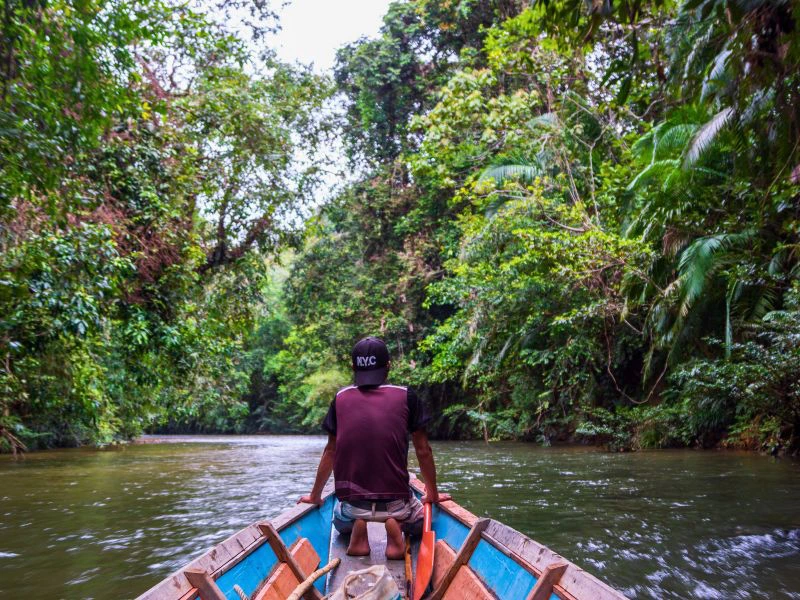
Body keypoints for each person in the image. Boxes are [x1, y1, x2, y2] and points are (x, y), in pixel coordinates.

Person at [299, 336, 450, 559]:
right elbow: (423, 450)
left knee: (340, 521)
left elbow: (330, 452)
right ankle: (396, 527)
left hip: (353, 506)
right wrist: (433, 495)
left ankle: (358, 530)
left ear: (353, 367)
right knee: (420, 522)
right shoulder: (406, 396)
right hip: (396, 505)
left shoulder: (340, 399)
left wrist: (315, 495)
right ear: (388, 366)